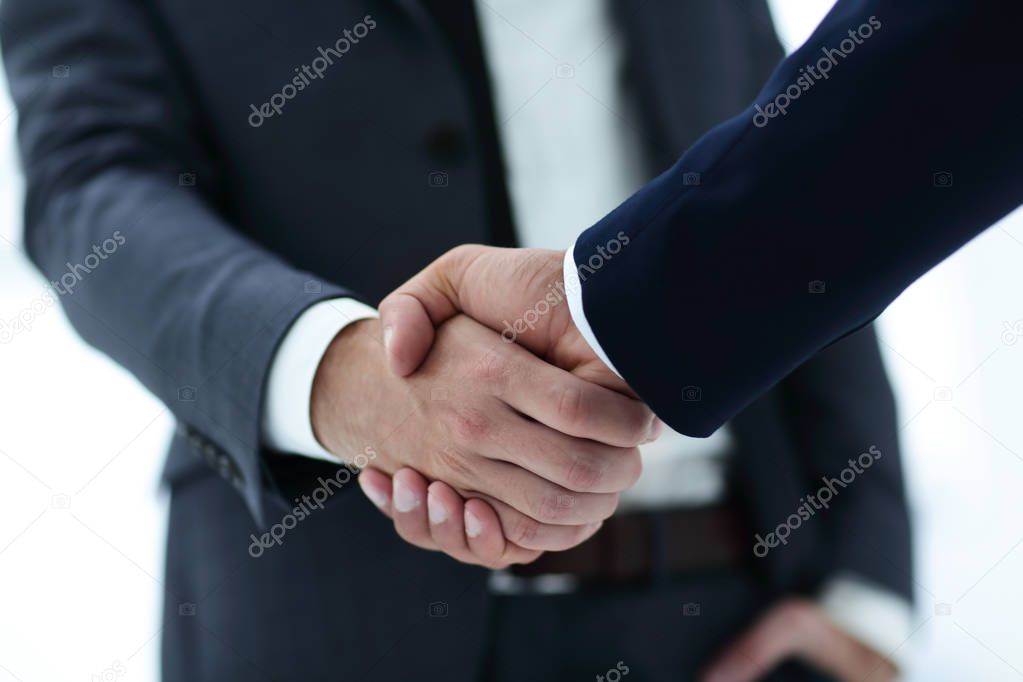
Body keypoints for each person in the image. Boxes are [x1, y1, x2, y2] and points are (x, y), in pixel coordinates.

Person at [1, 0, 912, 679]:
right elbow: (90, 184)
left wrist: (868, 597)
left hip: (729, 612)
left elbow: (785, 171)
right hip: (332, 618)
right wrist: (344, 374)